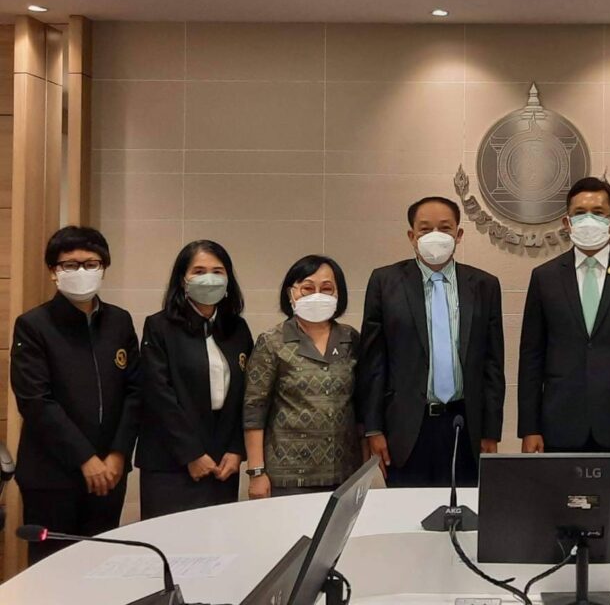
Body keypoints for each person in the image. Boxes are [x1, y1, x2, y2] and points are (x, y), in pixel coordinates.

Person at [11, 226, 140, 563]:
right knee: (52, 569)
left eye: (91, 263)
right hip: (51, 476)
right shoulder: (34, 325)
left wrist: (118, 454)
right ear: (53, 271)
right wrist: (86, 458)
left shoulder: (120, 322)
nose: (82, 271)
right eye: (70, 264)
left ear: (103, 268)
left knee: (100, 566)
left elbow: (134, 393)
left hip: (110, 474)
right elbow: (35, 401)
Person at [357, 196, 505, 487]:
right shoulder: (385, 282)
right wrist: (373, 429)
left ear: (458, 235)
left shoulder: (484, 285)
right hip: (406, 428)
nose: (435, 236)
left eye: (445, 228)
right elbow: (373, 363)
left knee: (464, 509)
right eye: (425, 229)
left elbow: (492, 364)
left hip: (465, 424)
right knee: (407, 510)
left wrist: (491, 431)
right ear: (412, 236)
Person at [518, 176, 610, 454]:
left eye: (598, 212)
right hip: (559, 424)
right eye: (579, 213)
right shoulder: (544, 277)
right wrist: (529, 428)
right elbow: (531, 358)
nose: (588, 220)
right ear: (567, 223)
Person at [135, 240, 252, 519]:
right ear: (183, 279)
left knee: (220, 539)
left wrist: (236, 449)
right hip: (172, 461)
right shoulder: (160, 326)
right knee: (170, 541)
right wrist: (192, 454)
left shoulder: (237, 328)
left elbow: (247, 394)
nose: (208, 279)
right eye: (199, 271)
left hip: (222, 463)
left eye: (217, 271)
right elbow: (159, 395)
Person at [243, 255, 362, 498]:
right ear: (291, 293)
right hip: (288, 475)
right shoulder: (272, 341)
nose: (317, 295)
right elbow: (254, 408)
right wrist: (256, 472)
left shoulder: (350, 339)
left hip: (345, 472)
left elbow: (361, 402)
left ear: (338, 294)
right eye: (307, 288)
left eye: (326, 289)